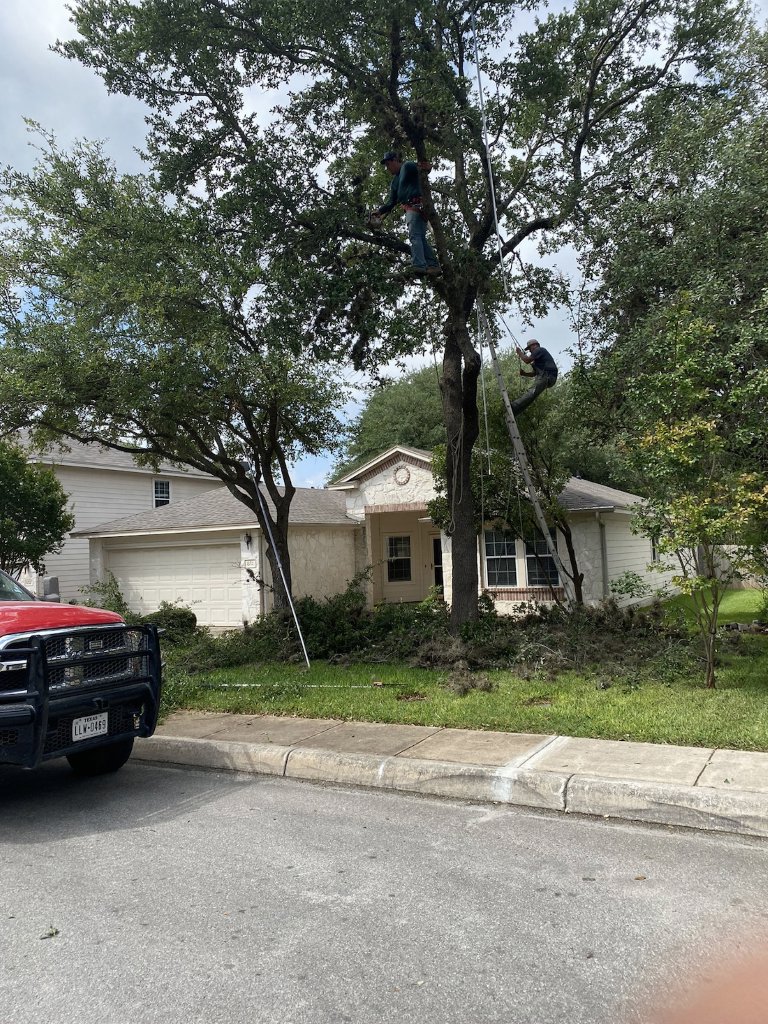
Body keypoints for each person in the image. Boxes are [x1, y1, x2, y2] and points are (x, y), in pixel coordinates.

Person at [374, 151, 441, 277]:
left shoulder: (407, 166)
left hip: (417, 205)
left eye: (388, 164)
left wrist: (428, 168)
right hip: (411, 208)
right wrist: (379, 211)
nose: (387, 168)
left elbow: (422, 169)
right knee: (420, 237)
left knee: (414, 236)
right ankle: (433, 265)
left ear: (395, 160)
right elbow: (391, 202)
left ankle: (419, 265)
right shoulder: (394, 182)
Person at [510, 339, 558, 415]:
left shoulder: (540, 350)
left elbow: (526, 360)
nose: (529, 351)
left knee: (532, 392)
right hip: (548, 377)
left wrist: (519, 352)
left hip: (547, 375)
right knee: (533, 395)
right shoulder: (537, 360)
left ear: (535, 345)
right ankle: (516, 410)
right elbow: (534, 373)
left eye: (529, 348)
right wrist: (524, 373)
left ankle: (514, 405)